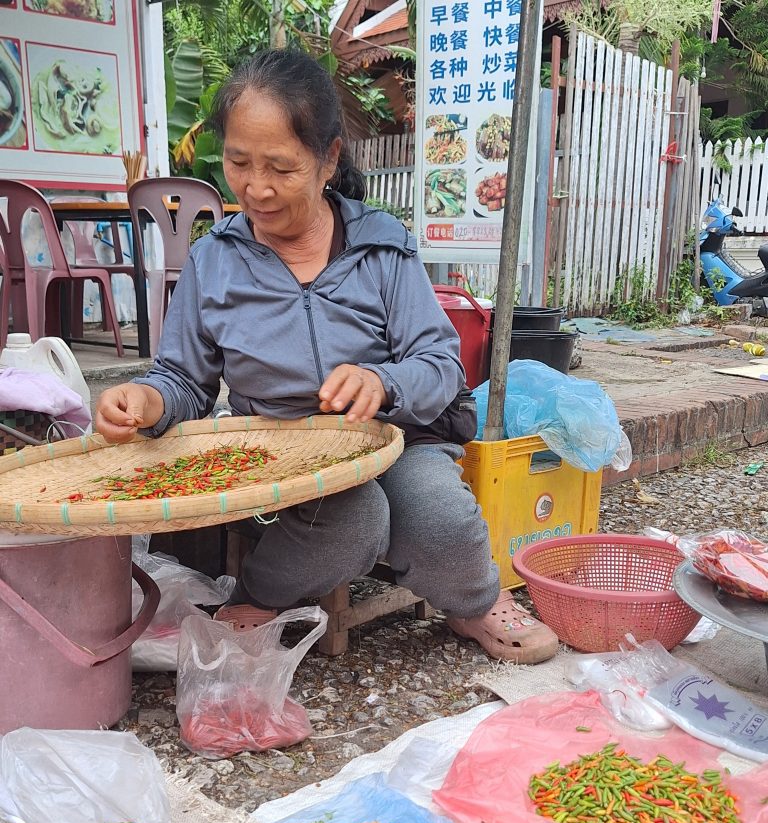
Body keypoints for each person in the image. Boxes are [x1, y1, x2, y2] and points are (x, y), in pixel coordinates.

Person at [95, 49, 558, 664]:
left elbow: (441, 363)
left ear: (328, 159)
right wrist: (149, 399)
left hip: (399, 435)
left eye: (281, 168)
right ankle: (260, 598)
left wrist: (383, 382)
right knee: (354, 517)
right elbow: (184, 378)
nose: (256, 188)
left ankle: (473, 604)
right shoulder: (214, 260)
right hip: (280, 447)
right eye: (238, 163)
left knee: (438, 515)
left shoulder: (382, 247)